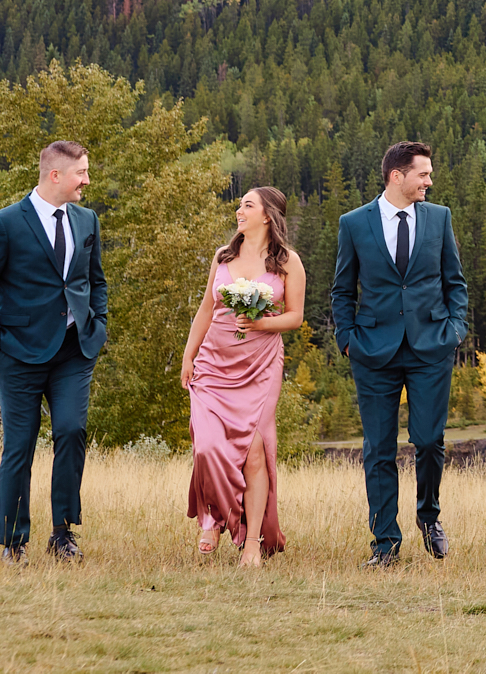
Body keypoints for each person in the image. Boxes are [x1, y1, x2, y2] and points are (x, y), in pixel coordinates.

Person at [0, 138, 107, 563]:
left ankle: (62, 534)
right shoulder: (3, 223)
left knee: (71, 431)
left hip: (74, 351)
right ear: (55, 175)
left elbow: (95, 280)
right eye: (81, 172)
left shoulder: (87, 220)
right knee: (19, 447)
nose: (87, 180)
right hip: (18, 355)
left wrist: (96, 325)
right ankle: (13, 542)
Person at [331, 140, 468, 566]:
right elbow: (341, 289)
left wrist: (455, 330)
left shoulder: (439, 218)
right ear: (397, 176)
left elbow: (455, 282)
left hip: (431, 347)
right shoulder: (354, 224)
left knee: (429, 441)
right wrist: (348, 339)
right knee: (379, 449)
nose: (430, 181)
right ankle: (385, 543)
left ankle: (429, 516)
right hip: (372, 352)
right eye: (423, 174)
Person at [180, 185, 305, 564]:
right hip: (213, 365)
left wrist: (261, 325)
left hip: (260, 367)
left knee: (254, 451)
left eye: (247, 205)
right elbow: (205, 310)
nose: (239, 210)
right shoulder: (223, 256)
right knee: (207, 447)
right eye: (239, 204)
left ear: (267, 215)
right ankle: (214, 517)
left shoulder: (288, 262)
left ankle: (251, 540)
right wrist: (189, 356)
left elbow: (295, 317)